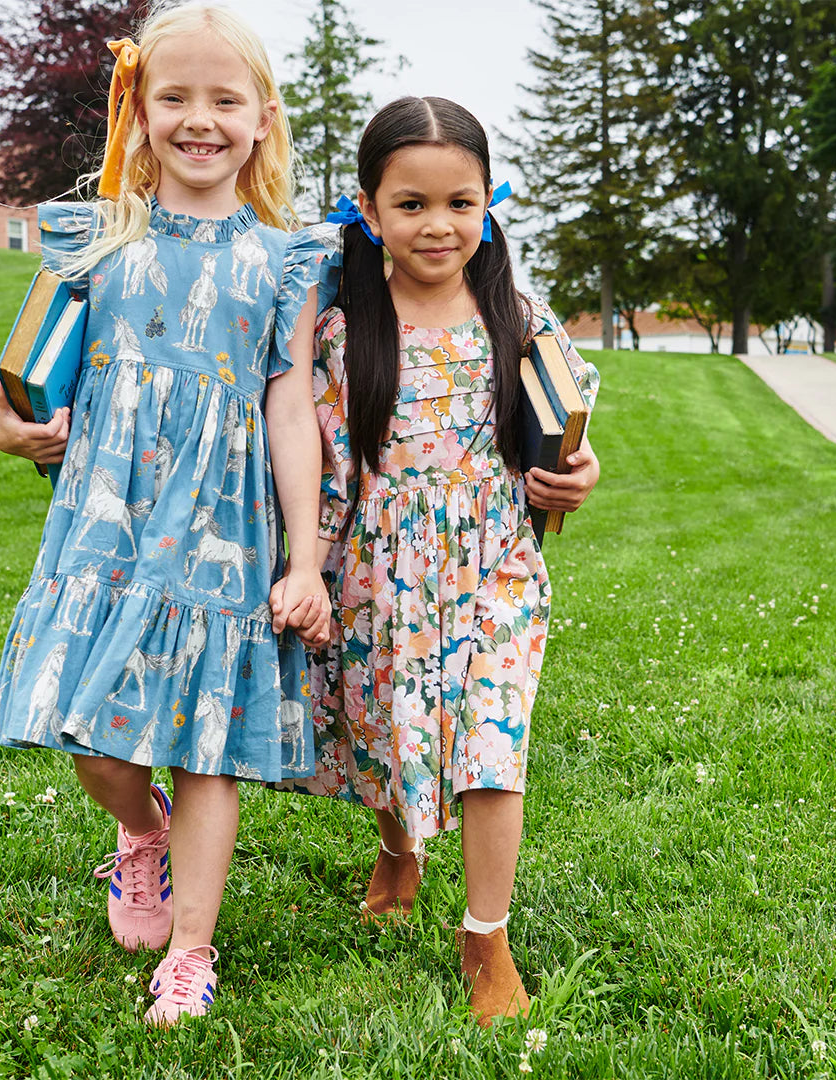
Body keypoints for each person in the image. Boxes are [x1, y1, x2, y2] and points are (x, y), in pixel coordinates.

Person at [0, 3, 339, 1027]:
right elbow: (23, 383)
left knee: (205, 739)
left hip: (222, 526)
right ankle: (143, 833)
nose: (200, 119)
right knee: (92, 732)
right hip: (109, 525)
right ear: (137, 111)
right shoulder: (92, 239)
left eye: (225, 100)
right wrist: (14, 431)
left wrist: (305, 559)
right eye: (174, 97)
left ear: (263, 119)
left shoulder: (284, 260)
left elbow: (290, 412)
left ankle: (191, 950)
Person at [273, 96, 601, 1026]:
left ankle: (486, 934)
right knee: (387, 730)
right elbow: (325, 461)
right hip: (378, 571)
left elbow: (568, 440)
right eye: (410, 204)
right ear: (369, 211)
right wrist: (310, 569)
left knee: (492, 748)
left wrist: (580, 474)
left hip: (494, 567)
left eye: (460, 202)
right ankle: (399, 847)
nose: (437, 224)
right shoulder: (343, 330)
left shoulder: (521, 321)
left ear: (488, 203)